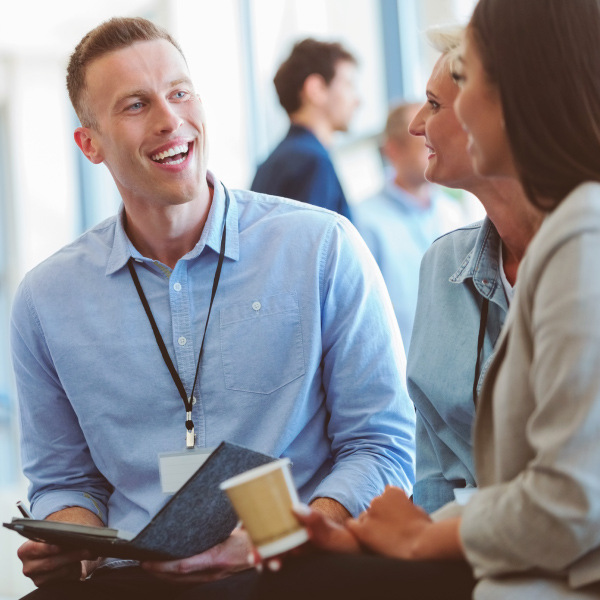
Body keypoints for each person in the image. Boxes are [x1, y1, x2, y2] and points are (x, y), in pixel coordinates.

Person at [10, 17, 416, 599]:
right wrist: (71, 540)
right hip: (133, 580)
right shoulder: (45, 299)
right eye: (135, 104)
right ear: (90, 143)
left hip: (294, 565)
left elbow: (381, 445)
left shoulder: (322, 247)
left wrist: (280, 536)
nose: (169, 119)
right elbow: (65, 480)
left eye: (180, 93)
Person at [256, 0, 600, 598]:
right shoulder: (452, 261)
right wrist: (384, 535)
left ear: (520, 96)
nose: (418, 124)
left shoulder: (581, 236)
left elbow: (570, 502)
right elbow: (456, 481)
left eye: (462, 88)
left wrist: (416, 540)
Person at [405, 25, 543, 514]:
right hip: (456, 557)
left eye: (435, 105)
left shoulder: (580, 257)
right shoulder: (442, 264)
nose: (416, 125)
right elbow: (434, 474)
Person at [353, 101, 469, 348]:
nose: (434, 148)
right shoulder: (363, 221)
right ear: (393, 150)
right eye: (423, 143)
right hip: (400, 373)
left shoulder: (452, 212)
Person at [250, 38, 358, 220]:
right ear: (316, 89)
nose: (357, 100)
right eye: (349, 84)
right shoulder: (312, 162)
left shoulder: (277, 160)